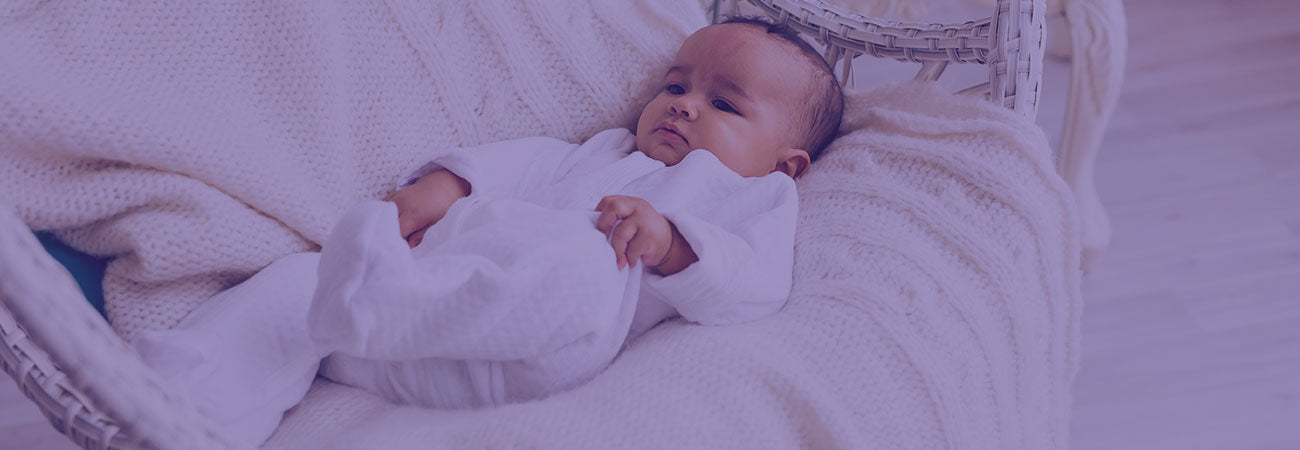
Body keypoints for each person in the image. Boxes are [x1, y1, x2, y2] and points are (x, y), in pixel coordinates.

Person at [132, 17, 844, 446]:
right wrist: (431, 194)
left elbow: (752, 284)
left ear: (787, 162)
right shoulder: (602, 152)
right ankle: (167, 407)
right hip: (395, 340)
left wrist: (672, 244)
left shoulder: (753, 196)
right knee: (297, 285)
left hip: (526, 346)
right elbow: (512, 168)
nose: (684, 107)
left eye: (723, 103)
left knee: (588, 254)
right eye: (676, 84)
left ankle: (386, 300)